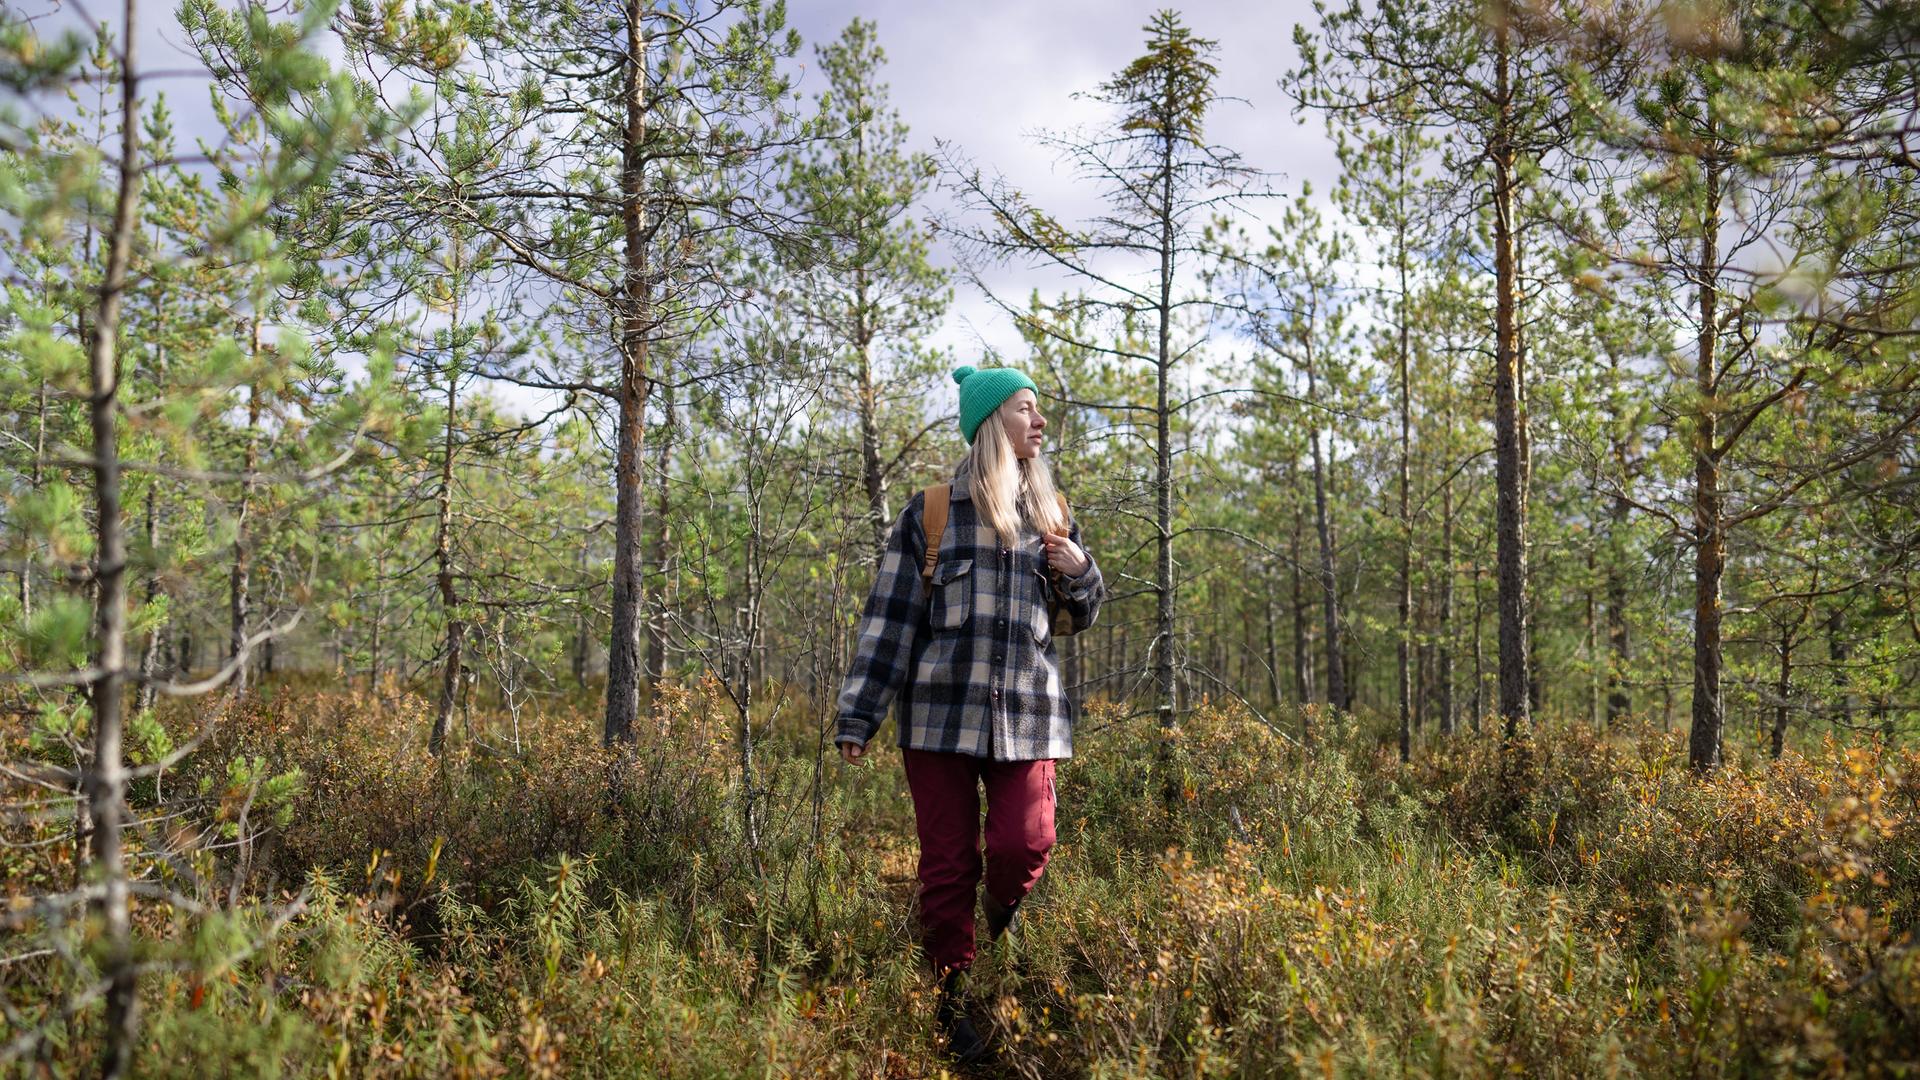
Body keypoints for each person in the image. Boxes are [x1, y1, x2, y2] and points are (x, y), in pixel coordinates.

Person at [834, 364, 1105, 1064]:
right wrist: (859, 715)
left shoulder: (1052, 515)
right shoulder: (931, 512)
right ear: (991, 423)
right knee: (948, 864)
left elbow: (1077, 618)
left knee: (1024, 843)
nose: (1039, 421)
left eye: (1040, 410)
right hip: (939, 719)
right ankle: (952, 1001)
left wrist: (1081, 572)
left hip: (1028, 716)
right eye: (1025, 409)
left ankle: (998, 934)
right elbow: (890, 622)